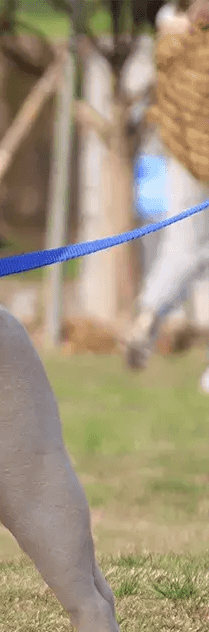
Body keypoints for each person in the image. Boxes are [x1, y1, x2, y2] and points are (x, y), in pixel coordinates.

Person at [125, 0, 209, 392]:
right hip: (193, 157)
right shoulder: (188, 42)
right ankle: (149, 316)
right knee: (189, 249)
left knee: (185, 246)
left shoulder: (171, 35)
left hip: (181, 153)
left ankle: (148, 316)